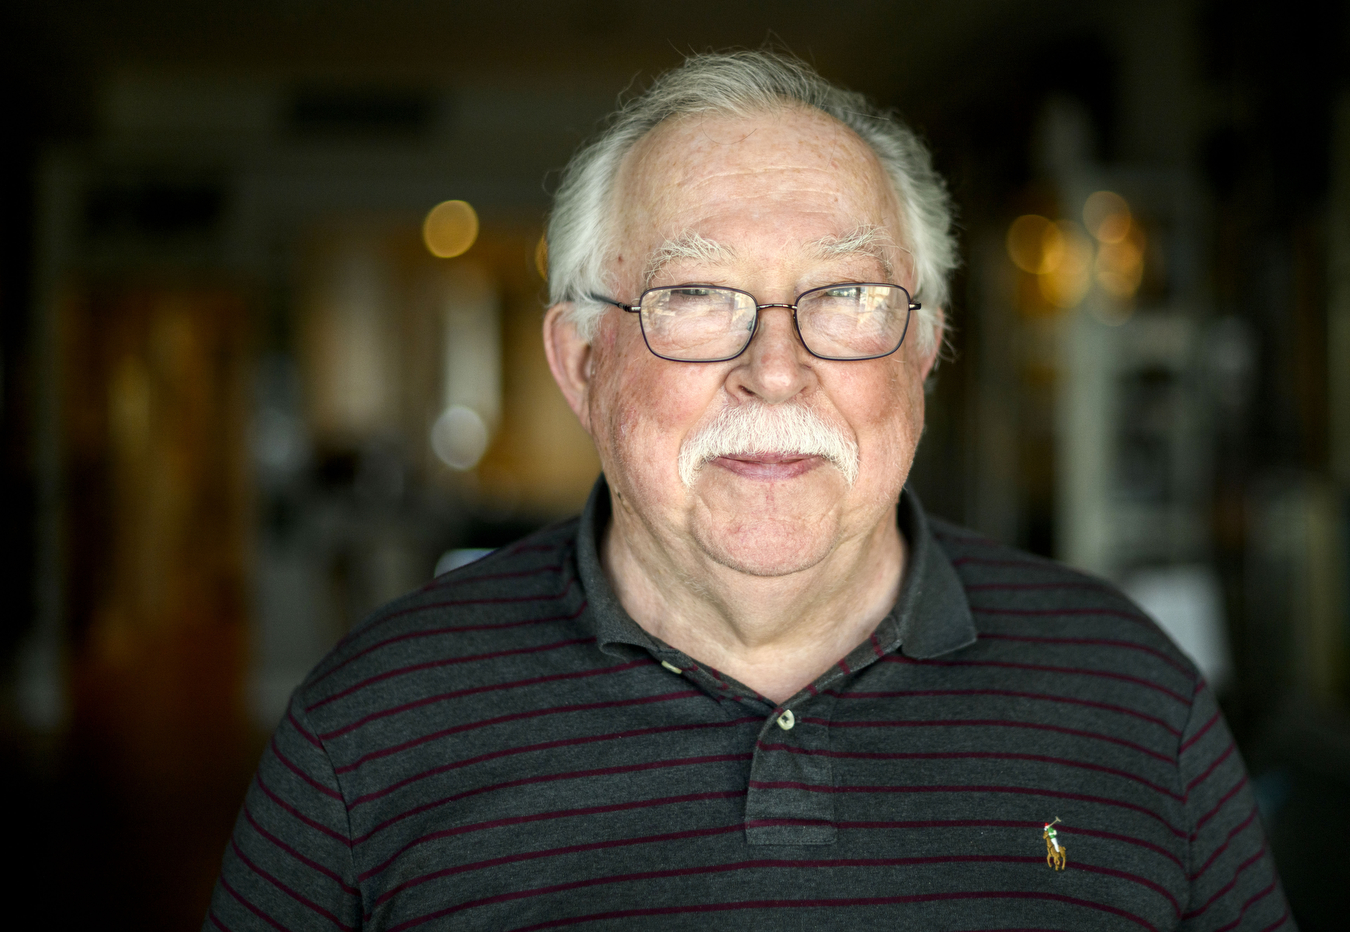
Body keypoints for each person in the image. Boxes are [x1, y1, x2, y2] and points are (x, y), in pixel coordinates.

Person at [206, 51, 1292, 931]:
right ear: (582, 361)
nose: (774, 369)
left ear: (923, 349)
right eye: (693, 294)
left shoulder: (1133, 690)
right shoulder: (369, 724)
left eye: (848, 294)